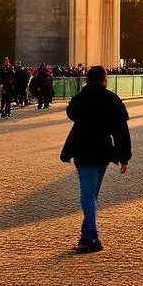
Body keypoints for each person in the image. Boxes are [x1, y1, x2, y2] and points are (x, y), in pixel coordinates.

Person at [60, 66, 132, 254]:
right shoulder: (112, 99)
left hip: (84, 150)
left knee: (87, 196)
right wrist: (124, 157)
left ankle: (92, 237)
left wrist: (85, 92)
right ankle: (86, 236)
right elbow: (121, 132)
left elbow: (71, 113)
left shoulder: (81, 98)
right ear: (104, 79)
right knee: (92, 196)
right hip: (103, 151)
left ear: (87, 79)